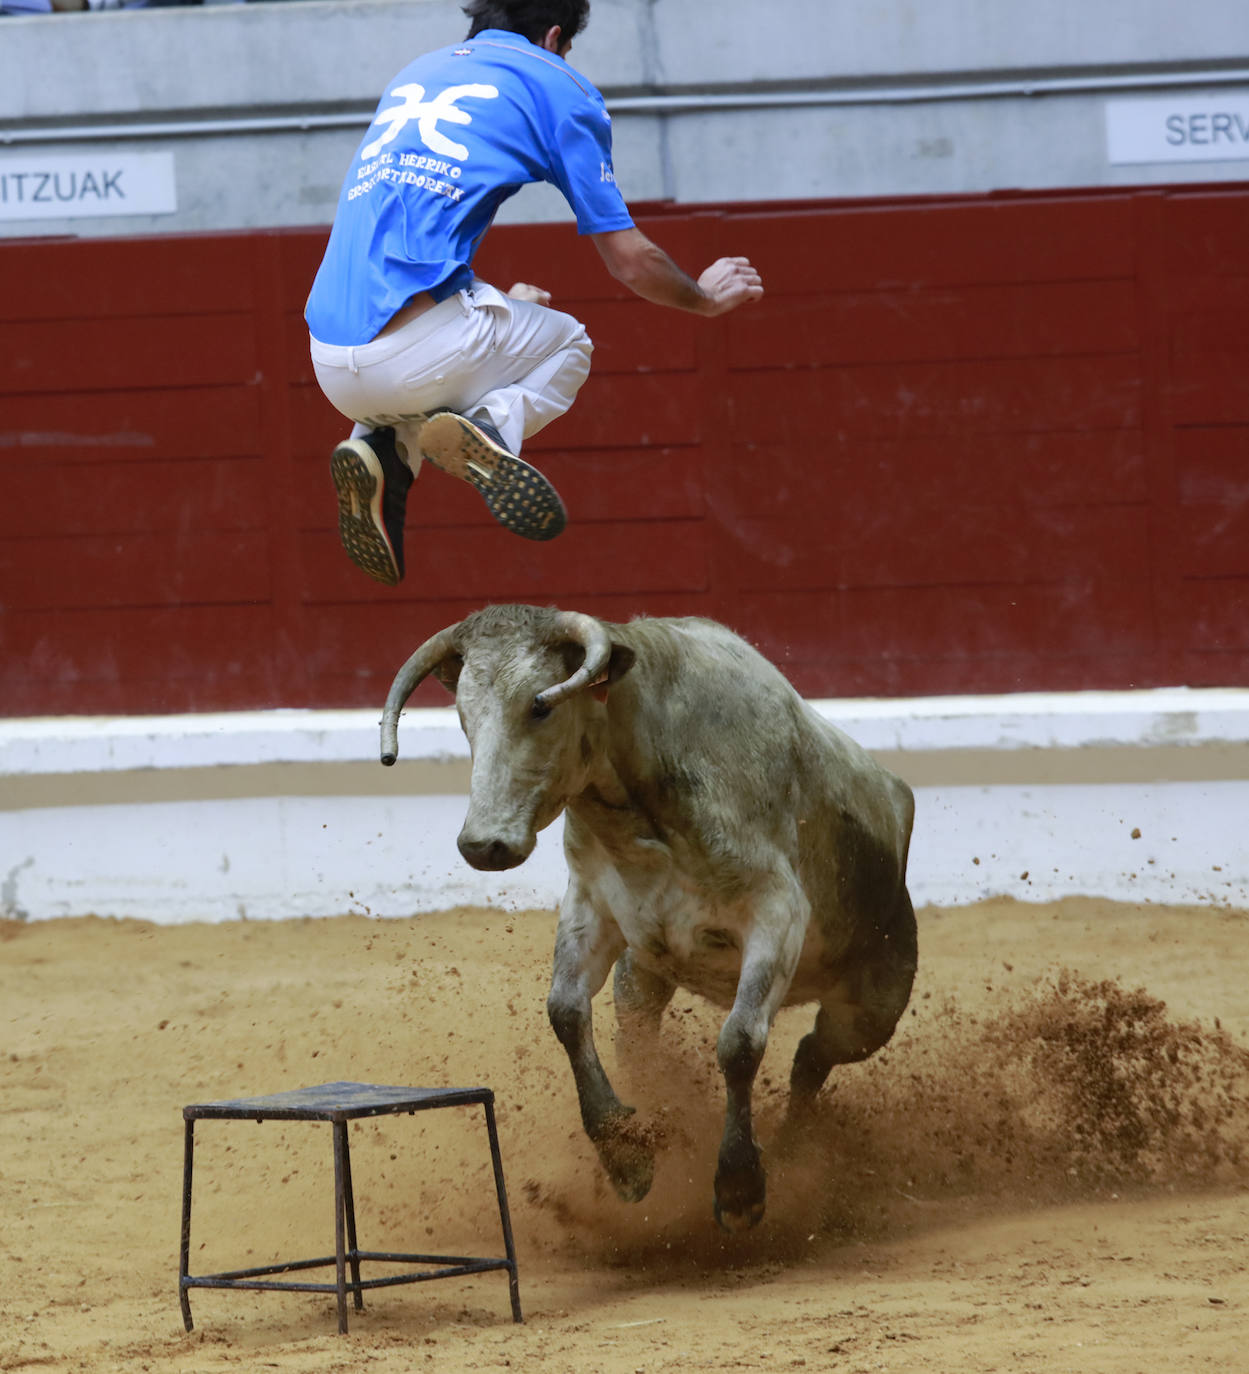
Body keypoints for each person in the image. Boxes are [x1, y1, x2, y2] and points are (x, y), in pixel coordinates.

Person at [305, 0, 763, 586]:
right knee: (567, 343)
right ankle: (492, 425)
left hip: (329, 362)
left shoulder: (414, 74)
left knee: (456, 343)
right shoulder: (557, 82)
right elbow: (630, 262)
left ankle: (383, 445)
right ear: (554, 37)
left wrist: (486, 303)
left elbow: (405, 245)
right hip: (418, 353)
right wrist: (702, 297)